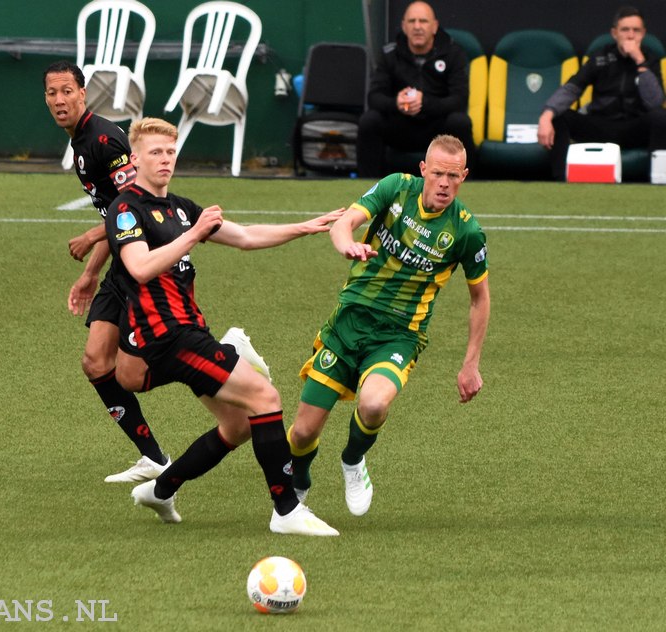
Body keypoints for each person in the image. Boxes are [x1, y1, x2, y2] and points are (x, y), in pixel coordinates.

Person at [105, 117, 342, 536]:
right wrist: (194, 235)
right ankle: (286, 509)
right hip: (168, 336)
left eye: (170, 151)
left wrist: (304, 228)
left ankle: (160, 490)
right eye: (156, 152)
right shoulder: (127, 210)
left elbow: (247, 236)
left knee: (237, 426)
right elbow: (139, 269)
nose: (165, 159)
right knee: (265, 397)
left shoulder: (179, 206)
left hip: (185, 331)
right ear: (136, 158)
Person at [43, 61, 271, 483]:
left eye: (66, 91)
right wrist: (93, 270)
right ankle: (154, 458)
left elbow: (134, 204)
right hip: (123, 261)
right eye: (52, 93)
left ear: (83, 93)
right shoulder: (80, 143)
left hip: (149, 265)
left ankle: (229, 357)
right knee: (97, 363)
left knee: (148, 361)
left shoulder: (105, 141)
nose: (59, 100)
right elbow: (117, 214)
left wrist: (95, 239)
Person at [287, 134, 490, 517]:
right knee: (302, 433)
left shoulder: (466, 231)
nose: (445, 184)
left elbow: (480, 298)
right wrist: (347, 243)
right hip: (348, 323)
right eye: (438, 175)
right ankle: (298, 481)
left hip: (399, 334)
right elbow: (344, 223)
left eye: (454, 177)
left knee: (375, 402)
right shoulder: (396, 188)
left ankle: (353, 460)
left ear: (464, 176)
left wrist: (471, 363)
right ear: (423, 170)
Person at [537, 6, 666, 181]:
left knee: (660, 117)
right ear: (614, 33)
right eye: (625, 30)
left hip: (634, 128)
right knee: (559, 116)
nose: (630, 35)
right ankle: (562, 180)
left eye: (636, 30)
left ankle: (657, 180)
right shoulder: (600, 57)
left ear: (643, 33)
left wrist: (639, 61)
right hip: (600, 127)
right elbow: (572, 88)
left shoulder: (650, 60)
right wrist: (546, 115)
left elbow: (655, 101)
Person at [357, 1, 474, 179]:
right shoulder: (390, 54)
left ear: (434, 26)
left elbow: (459, 99)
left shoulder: (453, 54)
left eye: (423, 21)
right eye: (412, 21)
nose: (417, 27)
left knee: (460, 122)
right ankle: (369, 186)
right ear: (404, 26)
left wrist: (425, 103)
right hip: (401, 125)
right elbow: (374, 97)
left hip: (436, 128)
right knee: (369, 121)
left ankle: (468, 183)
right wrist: (397, 102)